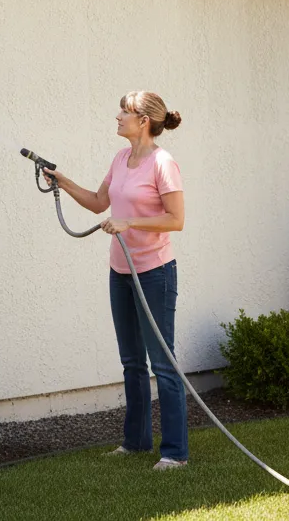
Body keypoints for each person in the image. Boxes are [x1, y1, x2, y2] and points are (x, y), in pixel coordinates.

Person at [43, 90, 188, 469]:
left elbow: (176, 220)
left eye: (124, 112)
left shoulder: (163, 163)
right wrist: (62, 181)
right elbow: (97, 201)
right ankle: (136, 442)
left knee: (163, 363)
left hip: (155, 273)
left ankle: (174, 453)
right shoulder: (121, 158)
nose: (117, 117)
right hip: (120, 271)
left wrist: (129, 222)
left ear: (144, 121)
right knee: (131, 363)